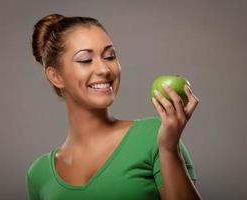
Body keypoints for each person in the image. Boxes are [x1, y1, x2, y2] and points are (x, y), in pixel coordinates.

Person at [26, 13, 202, 200]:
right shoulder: (39, 174)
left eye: (110, 56)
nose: (104, 69)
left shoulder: (157, 137)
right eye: (85, 60)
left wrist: (168, 149)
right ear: (56, 76)